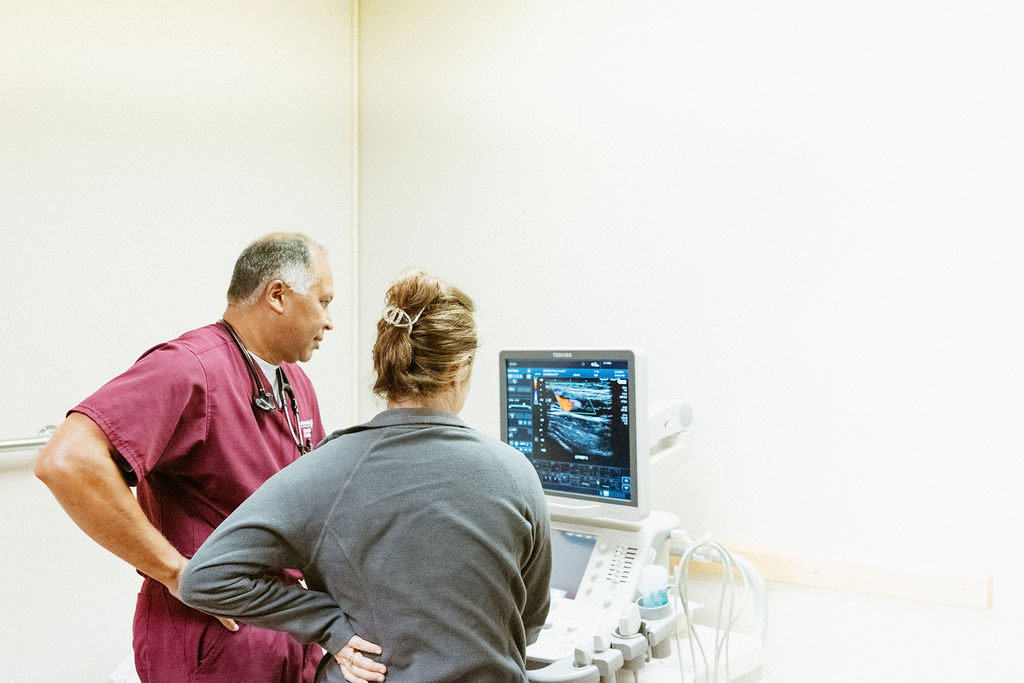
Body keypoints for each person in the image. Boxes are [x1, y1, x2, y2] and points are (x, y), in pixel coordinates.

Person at [179, 269, 552, 683]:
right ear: (457, 368)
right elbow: (531, 622)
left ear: (384, 362)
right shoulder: (516, 475)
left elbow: (205, 579)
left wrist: (330, 627)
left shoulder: (323, 473)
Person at [35, 232, 360, 682]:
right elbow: (67, 460)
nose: (329, 322)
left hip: (283, 629)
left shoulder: (294, 384)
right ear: (278, 296)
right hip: (212, 637)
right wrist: (176, 573)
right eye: (324, 302)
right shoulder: (190, 367)